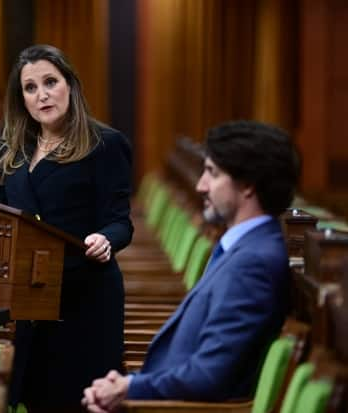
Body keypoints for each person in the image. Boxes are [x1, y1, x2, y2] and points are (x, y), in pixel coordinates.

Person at [82, 120, 300, 412]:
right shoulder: (244, 248)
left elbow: (210, 376)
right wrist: (128, 384)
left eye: (212, 173)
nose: (200, 185)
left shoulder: (254, 263)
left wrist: (129, 388)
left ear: (248, 185)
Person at [0, 44, 133, 411]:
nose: (42, 95)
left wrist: (106, 239)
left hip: (85, 298)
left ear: (70, 84)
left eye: (50, 82)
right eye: (31, 87)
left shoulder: (105, 144)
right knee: (34, 397)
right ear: (21, 98)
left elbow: (119, 221)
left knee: (76, 401)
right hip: (29, 295)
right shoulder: (12, 151)